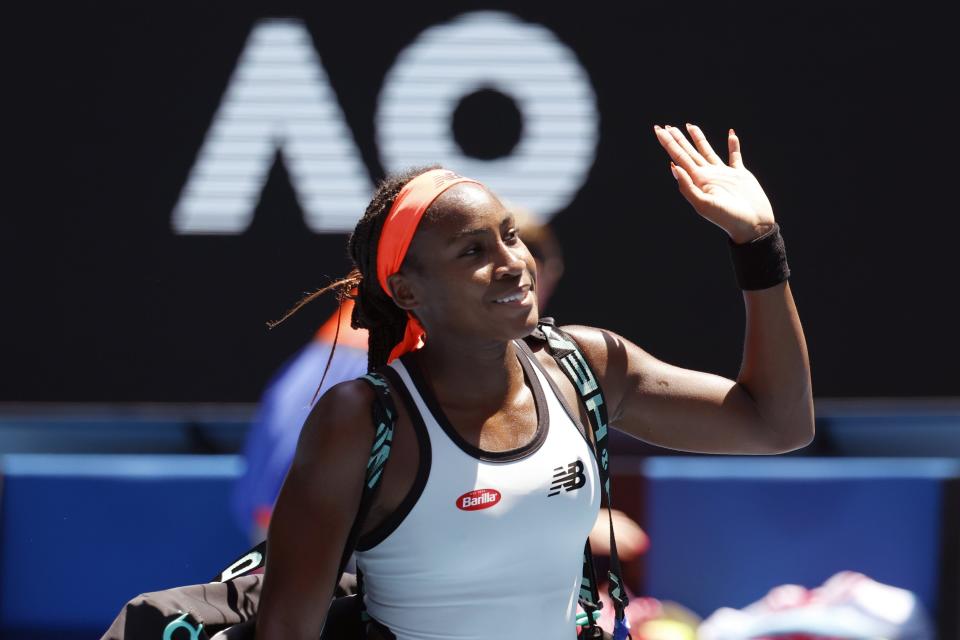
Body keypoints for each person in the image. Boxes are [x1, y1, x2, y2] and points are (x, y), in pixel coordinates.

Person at [255, 124, 814, 639]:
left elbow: (776, 424)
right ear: (407, 291)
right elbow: (285, 630)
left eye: (510, 236)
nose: (514, 263)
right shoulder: (358, 419)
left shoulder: (584, 366)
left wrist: (758, 242)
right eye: (473, 250)